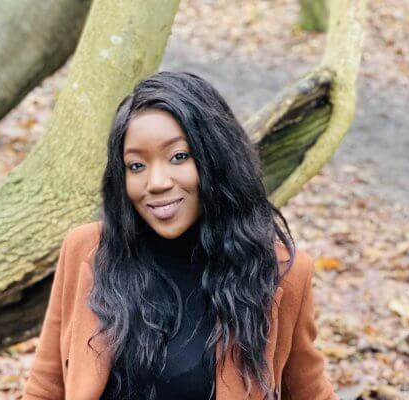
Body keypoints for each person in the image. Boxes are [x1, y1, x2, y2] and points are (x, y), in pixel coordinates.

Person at [22, 71, 337, 400]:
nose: (157, 182)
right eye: (136, 165)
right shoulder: (86, 250)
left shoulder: (280, 273)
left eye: (179, 157)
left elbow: (311, 392)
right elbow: (44, 389)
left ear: (217, 159)